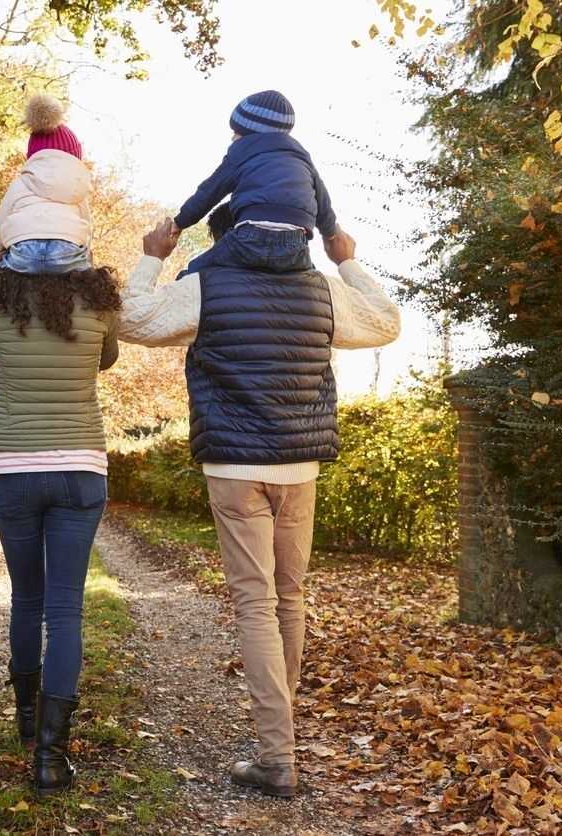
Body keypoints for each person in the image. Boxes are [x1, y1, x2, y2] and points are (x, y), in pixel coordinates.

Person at [117, 215, 401, 798]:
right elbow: (387, 323)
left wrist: (152, 255)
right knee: (288, 597)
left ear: (224, 236)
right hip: (300, 465)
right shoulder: (321, 287)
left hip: (234, 466)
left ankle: (277, 756)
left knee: (255, 602)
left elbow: (129, 318)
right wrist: (346, 257)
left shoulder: (207, 284)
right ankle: (280, 743)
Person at [0, 233, 120, 795]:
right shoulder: (98, 300)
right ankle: (51, 758)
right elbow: (107, 358)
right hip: (79, 466)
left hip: (15, 467)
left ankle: (27, 723)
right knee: (65, 610)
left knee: (26, 597)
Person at [172, 90, 337, 279]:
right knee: (310, 278)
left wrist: (180, 222)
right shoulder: (302, 158)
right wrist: (330, 234)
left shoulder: (241, 152)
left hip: (249, 236)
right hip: (296, 243)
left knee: (192, 273)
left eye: (236, 132)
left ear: (252, 133)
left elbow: (209, 192)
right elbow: (323, 203)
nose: (232, 138)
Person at [0, 92, 93, 279]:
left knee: (2, 271)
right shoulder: (77, 189)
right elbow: (87, 228)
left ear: (32, 156)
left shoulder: (20, 183)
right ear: (74, 157)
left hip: (24, 255)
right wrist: (87, 262)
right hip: (66, 255)